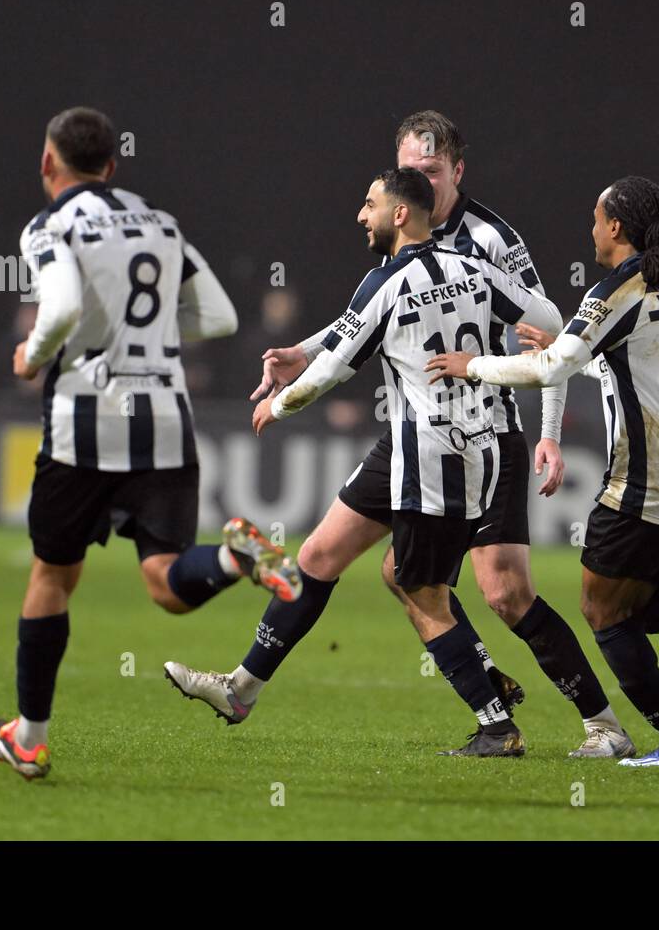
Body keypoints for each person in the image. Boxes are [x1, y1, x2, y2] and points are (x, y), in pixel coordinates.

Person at [251, 111, 630, 757]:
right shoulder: (402, 234)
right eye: (409, 171)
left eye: (429, 170)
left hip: (489, 436)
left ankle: (597, 722)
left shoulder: (490, 240)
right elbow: (363, 318)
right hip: (414, 437)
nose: (416, 180)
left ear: (456, 170)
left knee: (503, 591)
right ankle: (485, 696)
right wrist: (302, 350)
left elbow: (552, 334)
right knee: (358, 564)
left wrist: (548, 432)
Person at [164, 167, 564, 756]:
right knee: (318, 555)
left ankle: (496, 723)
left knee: (418, 589)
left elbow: (330, 370)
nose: (361, 214)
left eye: (369, 203)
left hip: (436, 456)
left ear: (400, 214)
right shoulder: (477, 271)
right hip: (419, 447)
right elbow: (551, 321)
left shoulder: (386, 282)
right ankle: (242, 689)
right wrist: (514, 352)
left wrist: (279, 405)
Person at [0, 106, 300, 781]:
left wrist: (31, 356)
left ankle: (30, 738)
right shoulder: (158, 220)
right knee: (166, 581)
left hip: (85, 424)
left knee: (52, 575)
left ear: (48, 163)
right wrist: (146, 338)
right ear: (113, 164)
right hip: (164, 416)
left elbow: (63, 306)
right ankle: (239, 557)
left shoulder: (51, 225)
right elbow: (217, 316)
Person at [428, 177, 659, 767]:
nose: (591, 229)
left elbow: (551, 367)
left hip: (641, 484)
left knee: (605, 615)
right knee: (631, 616)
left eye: (596, 219)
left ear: (617, 228)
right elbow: (639, 373)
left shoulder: (614, 289)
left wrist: (474, 364)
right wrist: (575, 347)